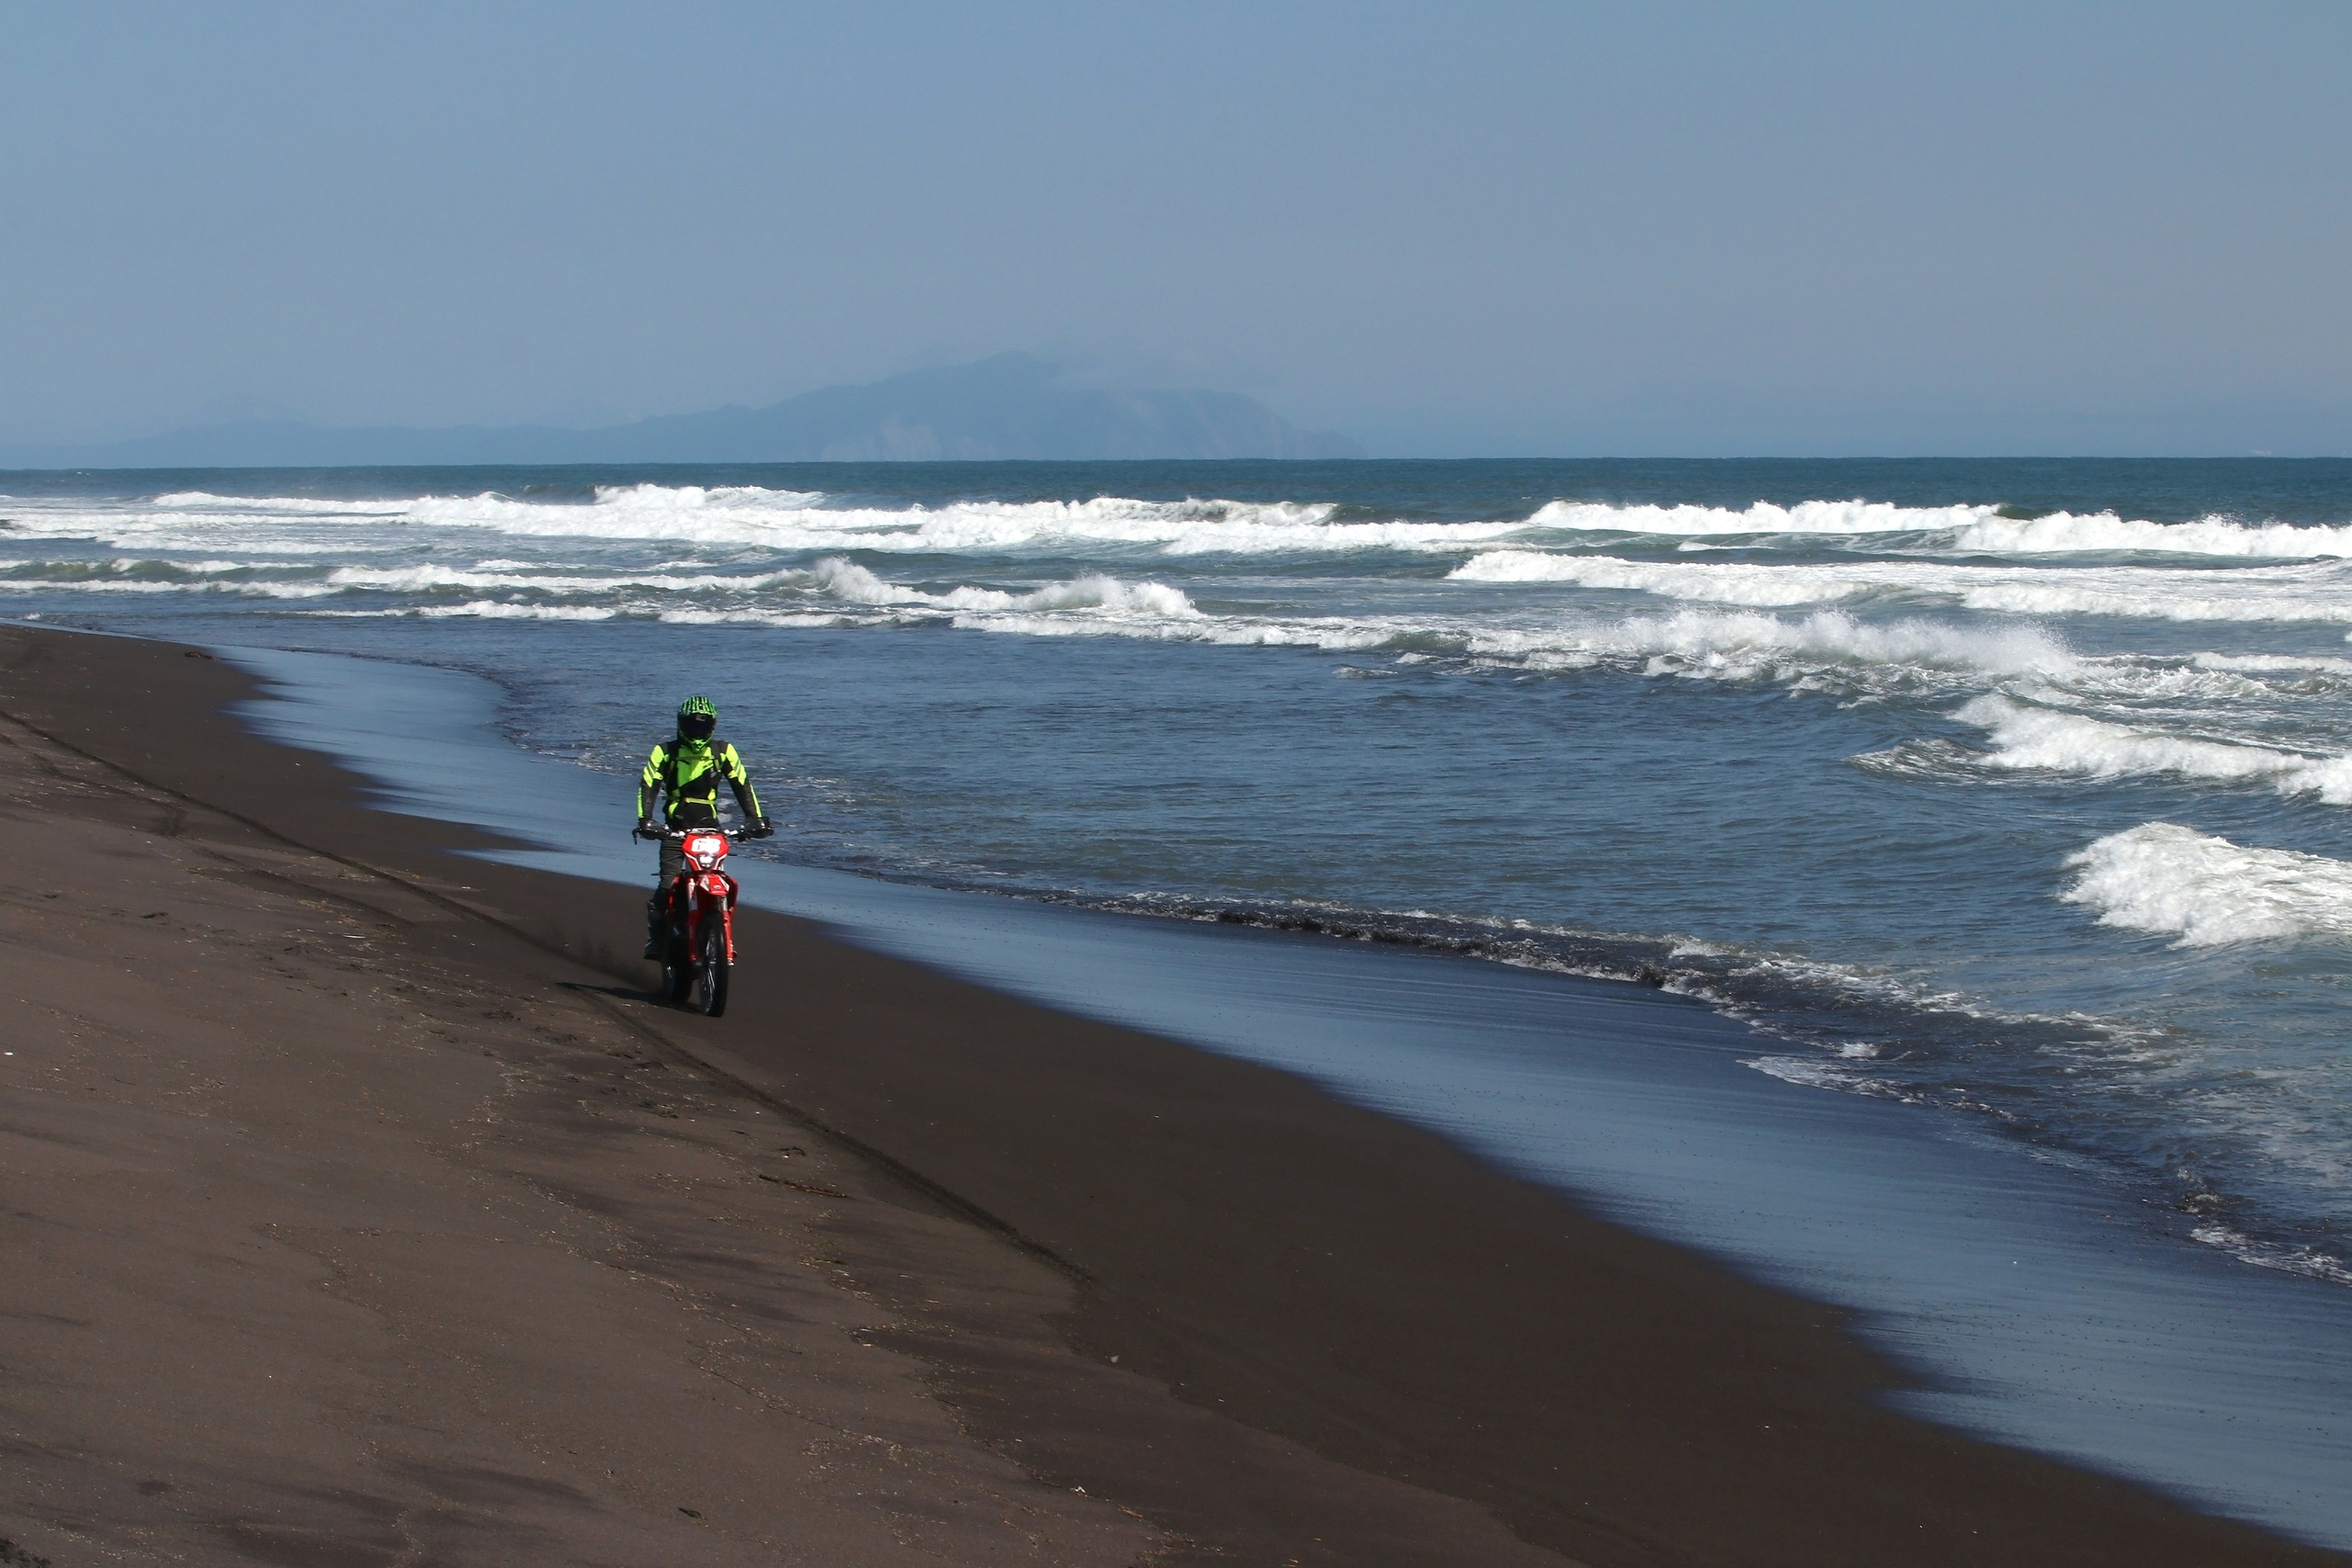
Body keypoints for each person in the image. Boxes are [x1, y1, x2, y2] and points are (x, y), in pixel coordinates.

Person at [637, 694, 771, 957]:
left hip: (710, 830)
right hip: (674, 829)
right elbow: (648, 784)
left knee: (720, 881)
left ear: (712, 727)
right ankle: (657, 935)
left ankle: (721, 935)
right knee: (667, 885)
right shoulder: (665, 751)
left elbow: (742, 784)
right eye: (692, 725)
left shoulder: (723, 751)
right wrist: (646, 820)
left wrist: (755, 819)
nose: (698, 731)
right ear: (681, 724)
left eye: (703, 726)